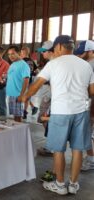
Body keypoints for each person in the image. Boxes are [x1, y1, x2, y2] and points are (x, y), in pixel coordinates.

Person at [21, 35, 94, 195]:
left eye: (54, 48)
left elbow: (36, 85)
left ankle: (60, 185)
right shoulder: (86, 65)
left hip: (61, 112)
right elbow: (92, 91)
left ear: (60, 47)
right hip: (81, 111)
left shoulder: (53, 64)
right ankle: (73, 185)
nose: (54, 51)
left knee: (59, 150)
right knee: (77, 149)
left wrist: (25, 96)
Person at [74, 40, 94, 171]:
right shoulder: (88, 64)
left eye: (82, 53)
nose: (80, 56)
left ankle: (91, 160)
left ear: (91, 51)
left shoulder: (90, 65)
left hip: (91, 103)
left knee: (87, 131)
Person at [6, 45, 30, 122]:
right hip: (11, 94)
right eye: (9, 54)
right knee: (15, 116)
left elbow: (26, 80)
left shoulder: (23, 65)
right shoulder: (12, 64)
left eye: (13, 53)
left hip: (18, 95)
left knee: (18, 117)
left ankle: (19, 133)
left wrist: (22, 95)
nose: (10, 56)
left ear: (19, 53)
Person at [20, 46, 38, 118]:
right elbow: (37, 71)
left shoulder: (21, 61)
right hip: (30, 81)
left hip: (23, 81)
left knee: (23, 96)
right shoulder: (31, 61)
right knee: (26, 96)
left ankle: (26, 111)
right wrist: (32, 73)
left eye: (21, 52)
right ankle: (27, 110)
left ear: (23, 52)